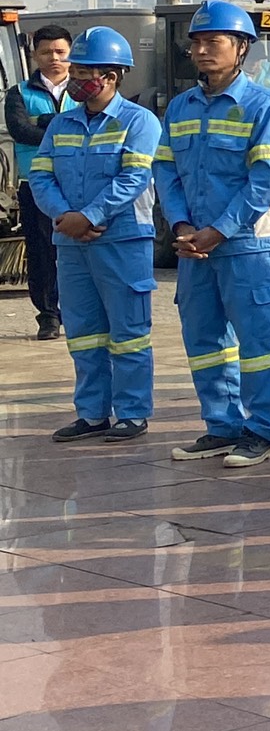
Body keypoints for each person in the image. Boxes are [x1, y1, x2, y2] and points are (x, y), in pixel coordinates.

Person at [155, 0, 270, 469]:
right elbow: (167, 173)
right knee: (204, 339)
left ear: (241, 48)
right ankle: (221, 425)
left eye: (213, 41)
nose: (201, 50)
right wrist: (181, 226)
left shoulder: (265, 105)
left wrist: (218, 230)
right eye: (196, 42)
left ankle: (261, 430)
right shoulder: (180, 107)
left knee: (258, 344)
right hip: (195, 247)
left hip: (247, 248)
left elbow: (264, 181)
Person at [32, 29, 159, 442]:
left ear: (113, 75)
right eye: (77, 69)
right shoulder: (61, 122)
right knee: (83, 333)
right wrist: (65, 216)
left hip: (122, 240)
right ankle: (92, 413)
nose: (78, 77)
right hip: (70, 243)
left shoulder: (138, 122)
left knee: (127, 333)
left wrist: (88, 215)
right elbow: (40, 175)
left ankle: (132, 413)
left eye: (87, 71)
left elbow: (135, 177)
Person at [7, 22, 73, 340]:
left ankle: (77, 312)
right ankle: (48, 316)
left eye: (60, 51)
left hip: (78, 183)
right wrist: (63, 129)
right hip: (34, 185)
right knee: (42, 253)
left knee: (76, 251)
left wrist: (45, 125)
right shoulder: (18, 93)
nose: (54, 58)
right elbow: (21, 131)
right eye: (46, 52)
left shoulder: (83, 89)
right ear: (35, 55)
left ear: (71, 54)